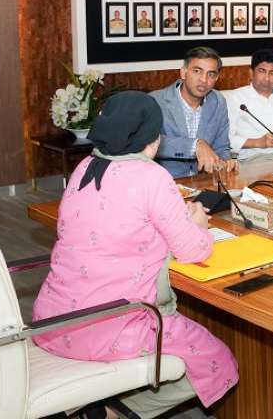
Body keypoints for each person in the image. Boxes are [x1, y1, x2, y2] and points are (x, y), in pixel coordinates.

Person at [32, 91, 238, 419]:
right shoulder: (151, 177)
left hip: (53, 320)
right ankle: (118, 414)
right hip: (112, 326)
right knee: (220, 361)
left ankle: (98, 405)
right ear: (153, 139)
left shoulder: (84, 167)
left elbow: (118, 226)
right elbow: (193, 250)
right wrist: (196, 223)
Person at [149, 47, 236, 178]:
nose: (204, 80)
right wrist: (194, 146)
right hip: (167, 182)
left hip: (204, 180)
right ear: (183, 73)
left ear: (216, 78)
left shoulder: (218, 101)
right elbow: (149, 142)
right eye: (197, 71)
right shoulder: (155, 101)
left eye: (211, 74)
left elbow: (222, 146)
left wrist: (225, 162)